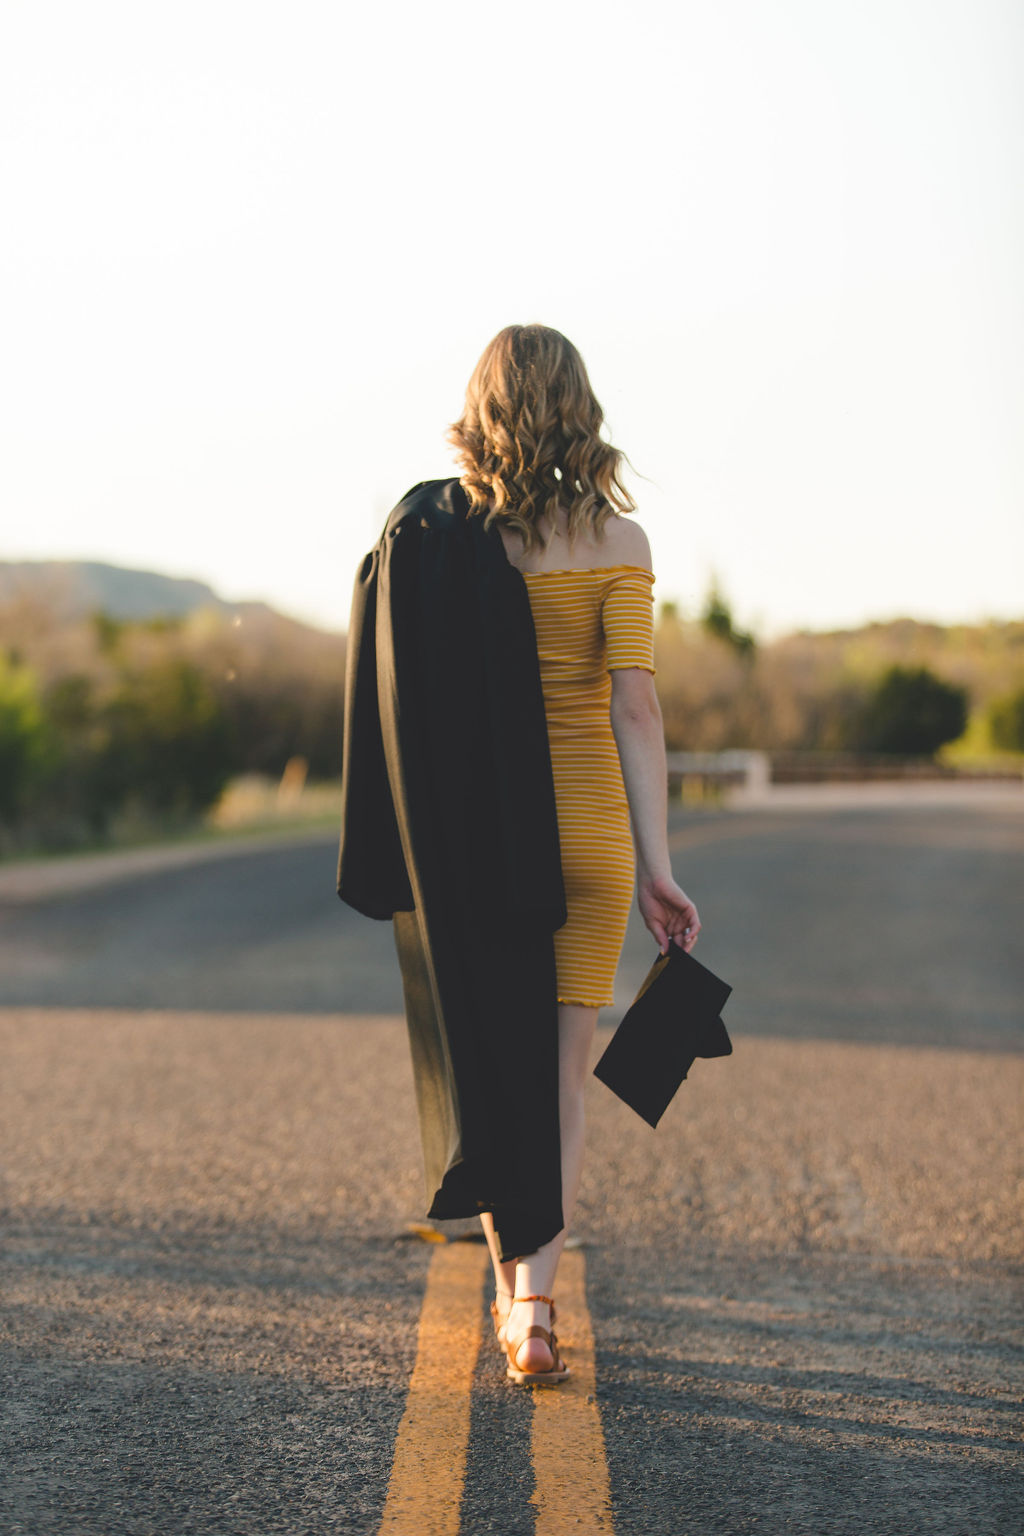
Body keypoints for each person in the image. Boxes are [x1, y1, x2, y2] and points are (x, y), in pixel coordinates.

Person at [337, 323, 700, 1387]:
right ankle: (535, 1302)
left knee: (495, 1070)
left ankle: (511, 1296)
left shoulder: (452, 542)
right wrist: (659, 866)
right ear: (581, 408)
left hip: (486, 841)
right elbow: (635, 707)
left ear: (483, 411)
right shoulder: (621, 542)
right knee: (561, 1079)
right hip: (591, 837)